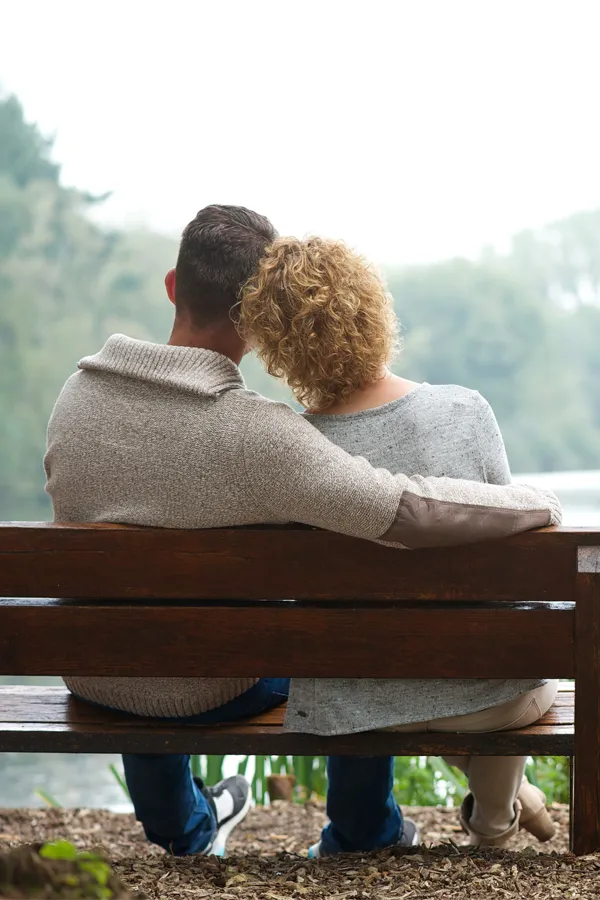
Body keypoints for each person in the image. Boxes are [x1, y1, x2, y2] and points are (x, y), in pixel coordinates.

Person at [44, 206, 561, 858]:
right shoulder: (260, 435)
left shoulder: (75, 398)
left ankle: (190, 827)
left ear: (173, 285)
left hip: (93, 672)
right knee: (340, 639)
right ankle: (368, 829)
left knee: (143, 634)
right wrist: (532, 503)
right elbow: (402, 509)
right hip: (217, 687)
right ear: (258, 323)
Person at [239, 234, 559, 854]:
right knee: (509, 657)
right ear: (373, 309)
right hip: (484, 698)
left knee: (408, 667)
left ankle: (502, 805)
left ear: (280, 348)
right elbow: (510, 555)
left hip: (353, 701)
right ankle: (495, 823)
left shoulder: (296, 450)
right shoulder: (465, 410)